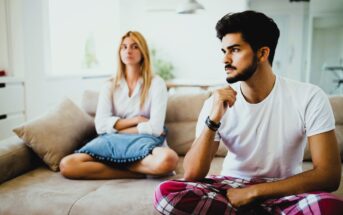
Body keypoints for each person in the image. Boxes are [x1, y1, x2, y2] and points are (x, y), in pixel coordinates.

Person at [154, 11, 343, 214]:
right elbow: (192, 173)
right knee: (166, 193)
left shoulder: (309, 96)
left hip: (285, 190)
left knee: (330, 206)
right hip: (230, 189)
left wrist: (254, 192)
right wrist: (214, 119)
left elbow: (328, 175)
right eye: (223, 51)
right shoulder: (215, 103)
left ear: (262, 53)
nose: (225, 59)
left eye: (234, 50)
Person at [60, 31, 178, 180]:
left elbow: (155, 128)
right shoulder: (109, 85)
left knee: (169, 160)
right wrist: (137, 120)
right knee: (67, 164)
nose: (128, 50)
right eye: (124, 47)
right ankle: (134, 172)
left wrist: (117, 129)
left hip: (142, 140)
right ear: (119, 52)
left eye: (135, 46)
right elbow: (100, 126)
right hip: (111, 142)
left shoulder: (156, 83)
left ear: (143, 52)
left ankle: (117, 165)